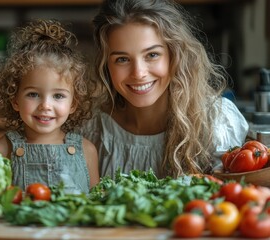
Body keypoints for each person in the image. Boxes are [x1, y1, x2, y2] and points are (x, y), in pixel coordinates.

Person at [79, 0, 249, 179]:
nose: (138, 73)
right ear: (106, 66)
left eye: (152, 55)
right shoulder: (91, 128)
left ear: (175, 55)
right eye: (122, 59)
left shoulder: (216, 121)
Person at [0, 19, 100, 194]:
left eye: (58, 96)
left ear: (73, 104)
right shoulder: (1, 151)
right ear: (15, 100)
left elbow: (96, 204)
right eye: (33, 94)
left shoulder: (87, 151)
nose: (45, 105)